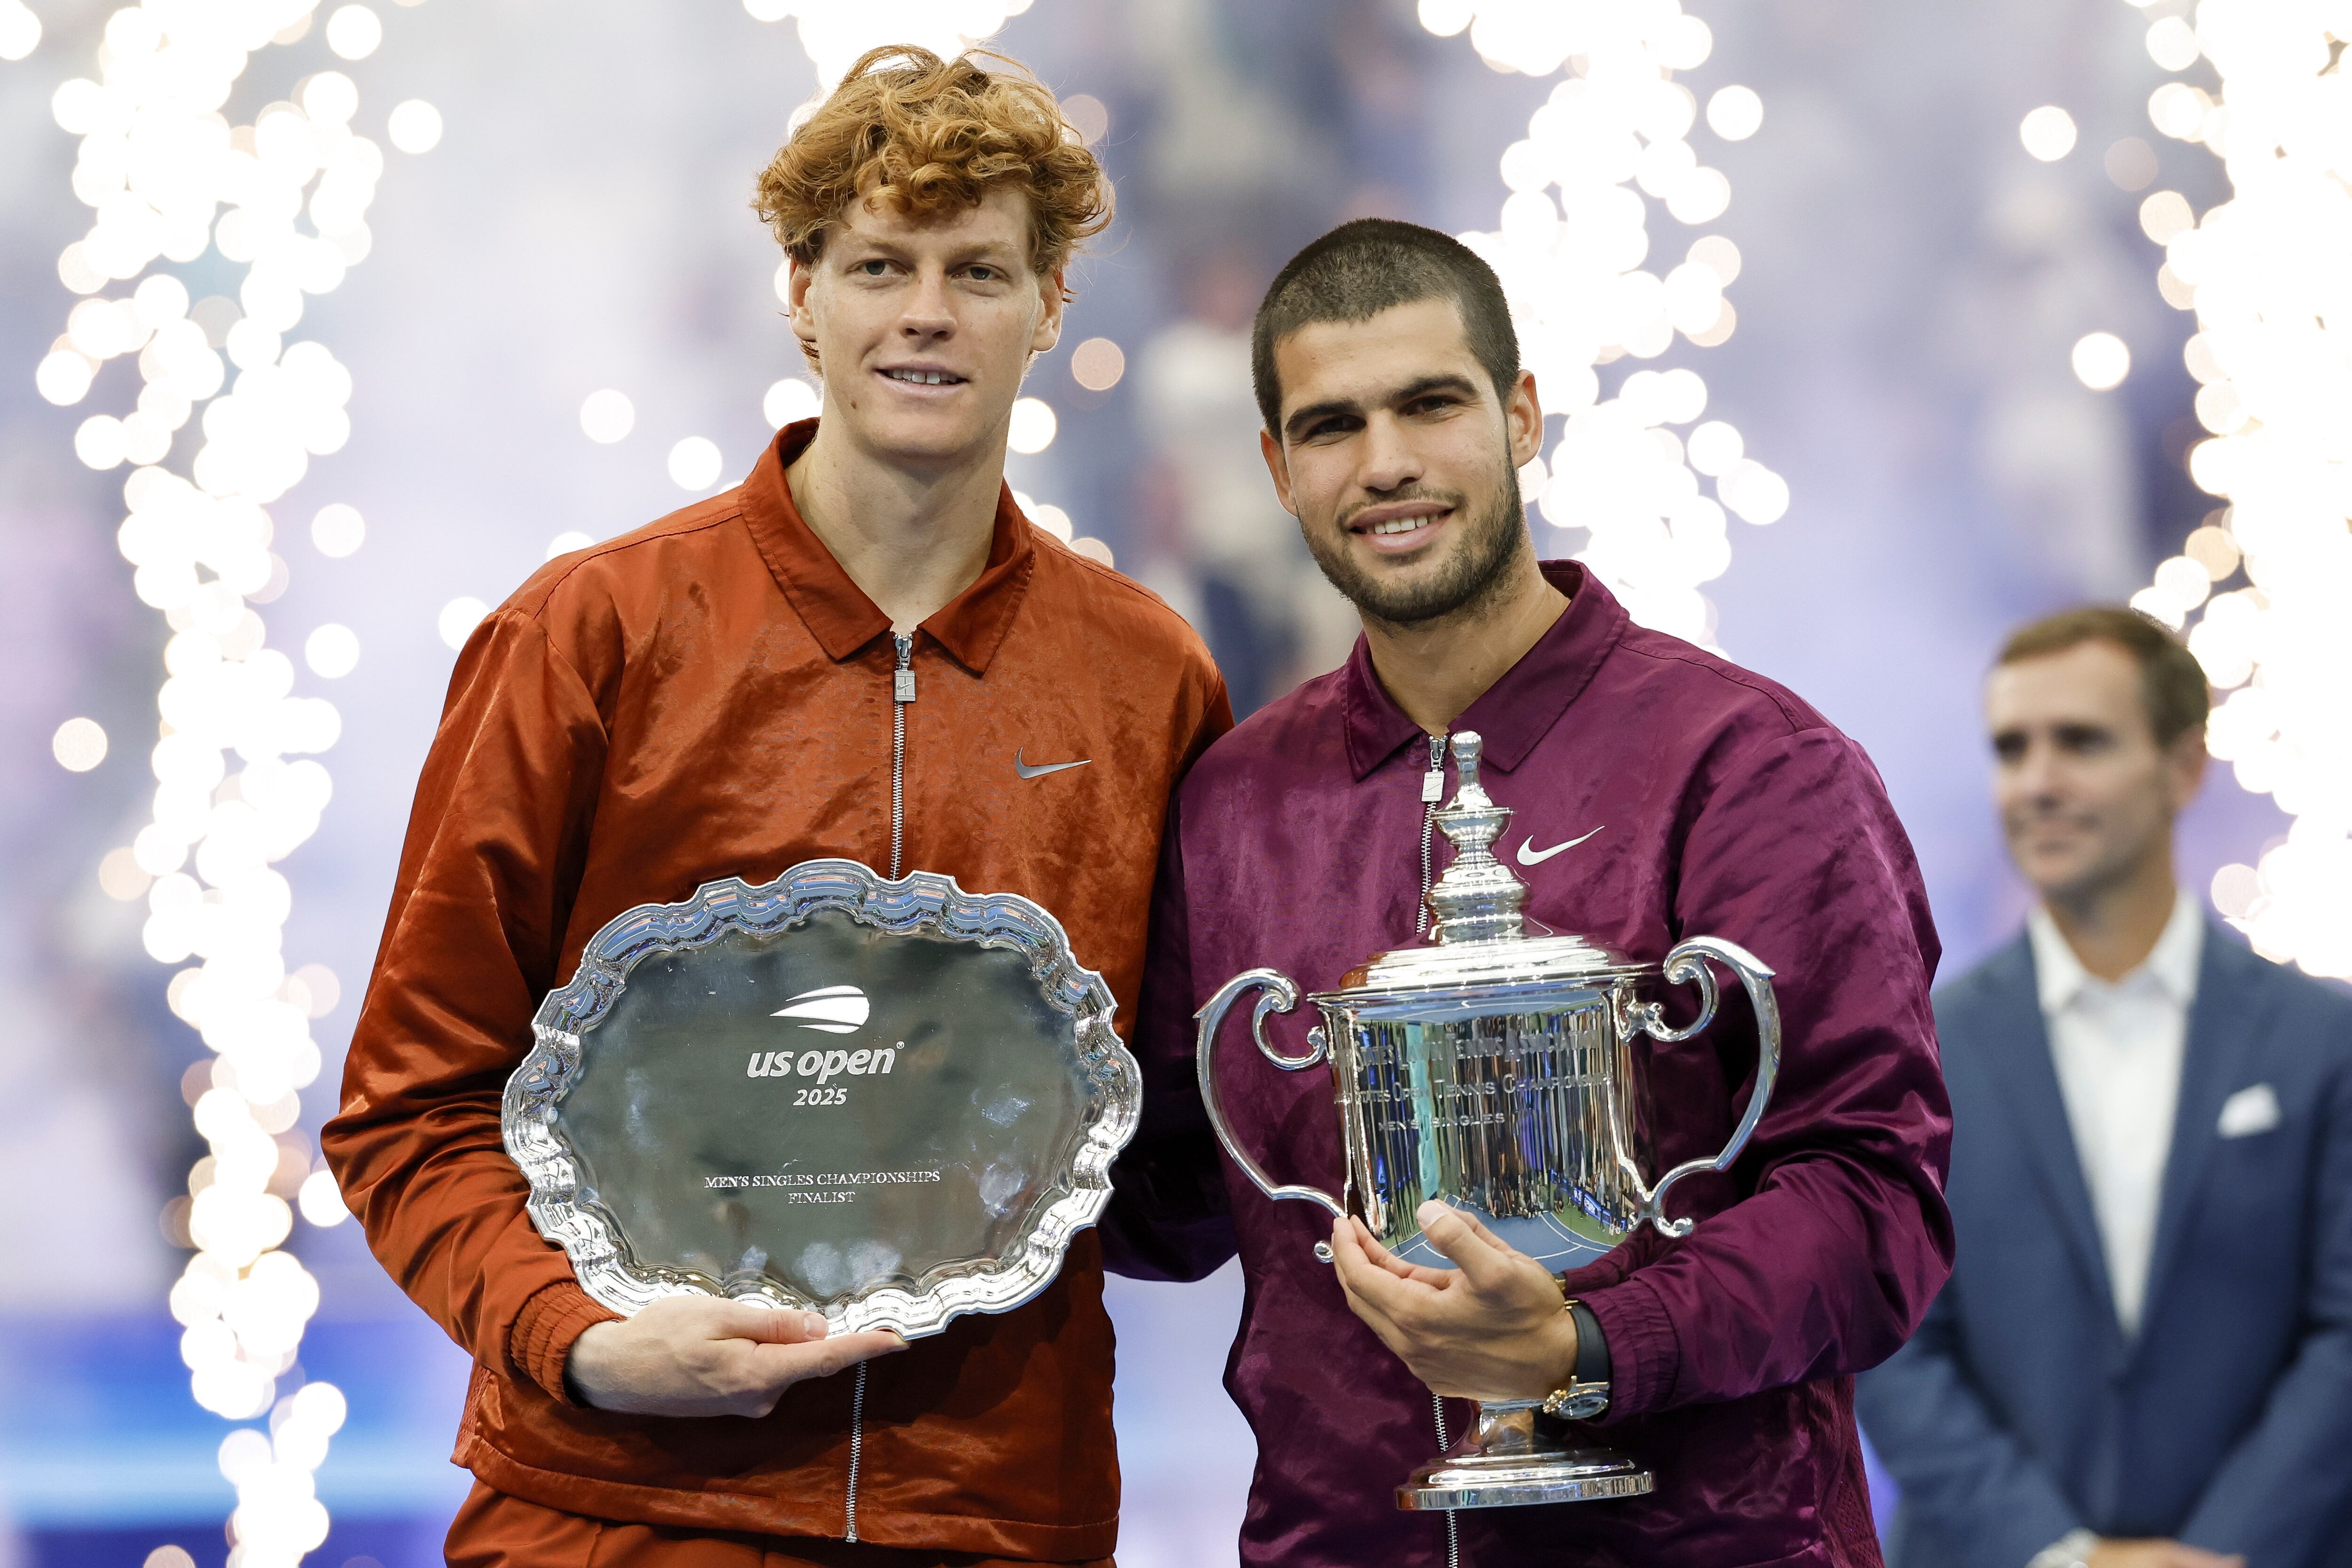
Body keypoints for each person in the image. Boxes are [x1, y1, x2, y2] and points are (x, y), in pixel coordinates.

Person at [321, 46, 1231, 1568]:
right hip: (615, 1506)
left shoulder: (1147, 675)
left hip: (992, 1514)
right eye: (880, 263)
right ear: (801, 293)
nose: (927, 311)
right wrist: (583, 1337)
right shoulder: (590, 634)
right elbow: (409, 1104)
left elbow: (1155, 1177)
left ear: (1050, 309)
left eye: (979, 269)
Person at [1102, 216, 1955, 1567]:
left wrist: (1593, 1341)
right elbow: (1172, 1199)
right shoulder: (1234, 800)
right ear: (1275, 468)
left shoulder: (1747, 761)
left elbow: (1877, 1201)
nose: (1385, 464)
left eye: (1429, 404)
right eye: (1331, 425)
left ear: (1521, 415)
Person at [1854, 609, 2352, 1568]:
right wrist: (2059, 1552)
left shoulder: (2321, 1037)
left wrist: (2228, 1547)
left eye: (2080, 740)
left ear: (2183, 766)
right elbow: (1892, 1340)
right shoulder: (1917, 1046)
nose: (2037, 781)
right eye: (2012, 747)